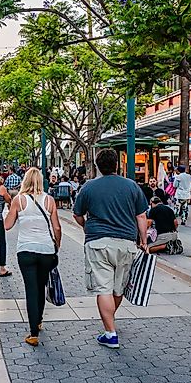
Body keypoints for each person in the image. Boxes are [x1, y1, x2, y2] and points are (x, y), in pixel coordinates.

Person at [73, 149, 148, 350]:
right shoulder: (132, 186)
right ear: (117, 164)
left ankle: (110, 332)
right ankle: (110, 320)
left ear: (97, 165)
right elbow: (141, 216)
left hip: (98, 242)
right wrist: (144, 241)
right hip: (126, 243)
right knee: (118, 287)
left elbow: (77, 214)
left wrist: (87, 227)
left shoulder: (88, 187)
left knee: (103, 288)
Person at [4, 168, 60, 347]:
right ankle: (39, 320)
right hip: (46, 251)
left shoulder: (18, 200)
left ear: (25, 181)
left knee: (31, 289)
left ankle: (33, 333)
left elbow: (7, 225)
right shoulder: (49, 200)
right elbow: (57, 228)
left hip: (26, 250)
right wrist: (56, 245)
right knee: (41, 286)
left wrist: (8, 211)